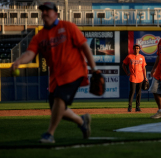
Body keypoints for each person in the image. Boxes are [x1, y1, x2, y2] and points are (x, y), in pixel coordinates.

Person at [10, 2, 97, 143]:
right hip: (56, 76)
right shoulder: (40, 36)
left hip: (73, 71)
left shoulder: (68, 27)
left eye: (47, 10)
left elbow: (84, 46)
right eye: (42, 11)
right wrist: (19, 61)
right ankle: (81, 121)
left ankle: (49, 134)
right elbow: (30, 54)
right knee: (58, 109)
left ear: (55, 13)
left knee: (59, 100)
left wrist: (94, 69)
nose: (44, 13)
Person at [122, 44, 147, 112]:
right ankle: (130, 107)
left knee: (139, 93)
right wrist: (127, 72)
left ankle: (137, 107)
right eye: (135, 48)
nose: (136, 49)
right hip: (133, 77)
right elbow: (123, 64)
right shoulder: (129, 56)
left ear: (139, 49)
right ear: (133, 49)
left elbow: (144, 68)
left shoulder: (142, 57)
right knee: (132, 92)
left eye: (137, 48)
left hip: (140, 77)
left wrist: (145, 77)